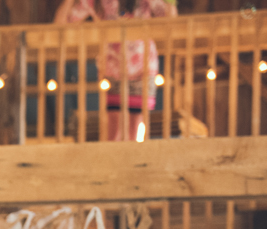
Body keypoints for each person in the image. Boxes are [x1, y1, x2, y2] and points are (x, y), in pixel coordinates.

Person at [57, 0, 177, 141]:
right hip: (112, 70)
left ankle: (133, 162)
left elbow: (171, 19)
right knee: (113, 132)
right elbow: (61, 24)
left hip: (143, 69)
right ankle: (116, 162)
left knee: (136, 131)